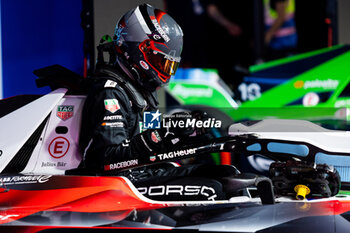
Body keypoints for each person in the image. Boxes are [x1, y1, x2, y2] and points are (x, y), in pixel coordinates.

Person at [78, 4, 244, 201]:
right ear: (139, 51)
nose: (165, 70)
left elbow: (153, 144)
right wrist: (161, 135)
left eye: (170, 64)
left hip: (143, 171)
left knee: (227, 175)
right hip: (114, 182)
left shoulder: (144, 91)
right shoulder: (110, 92)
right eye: (162, 61)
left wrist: (185, 134)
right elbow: (108, 159)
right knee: (211, 189)